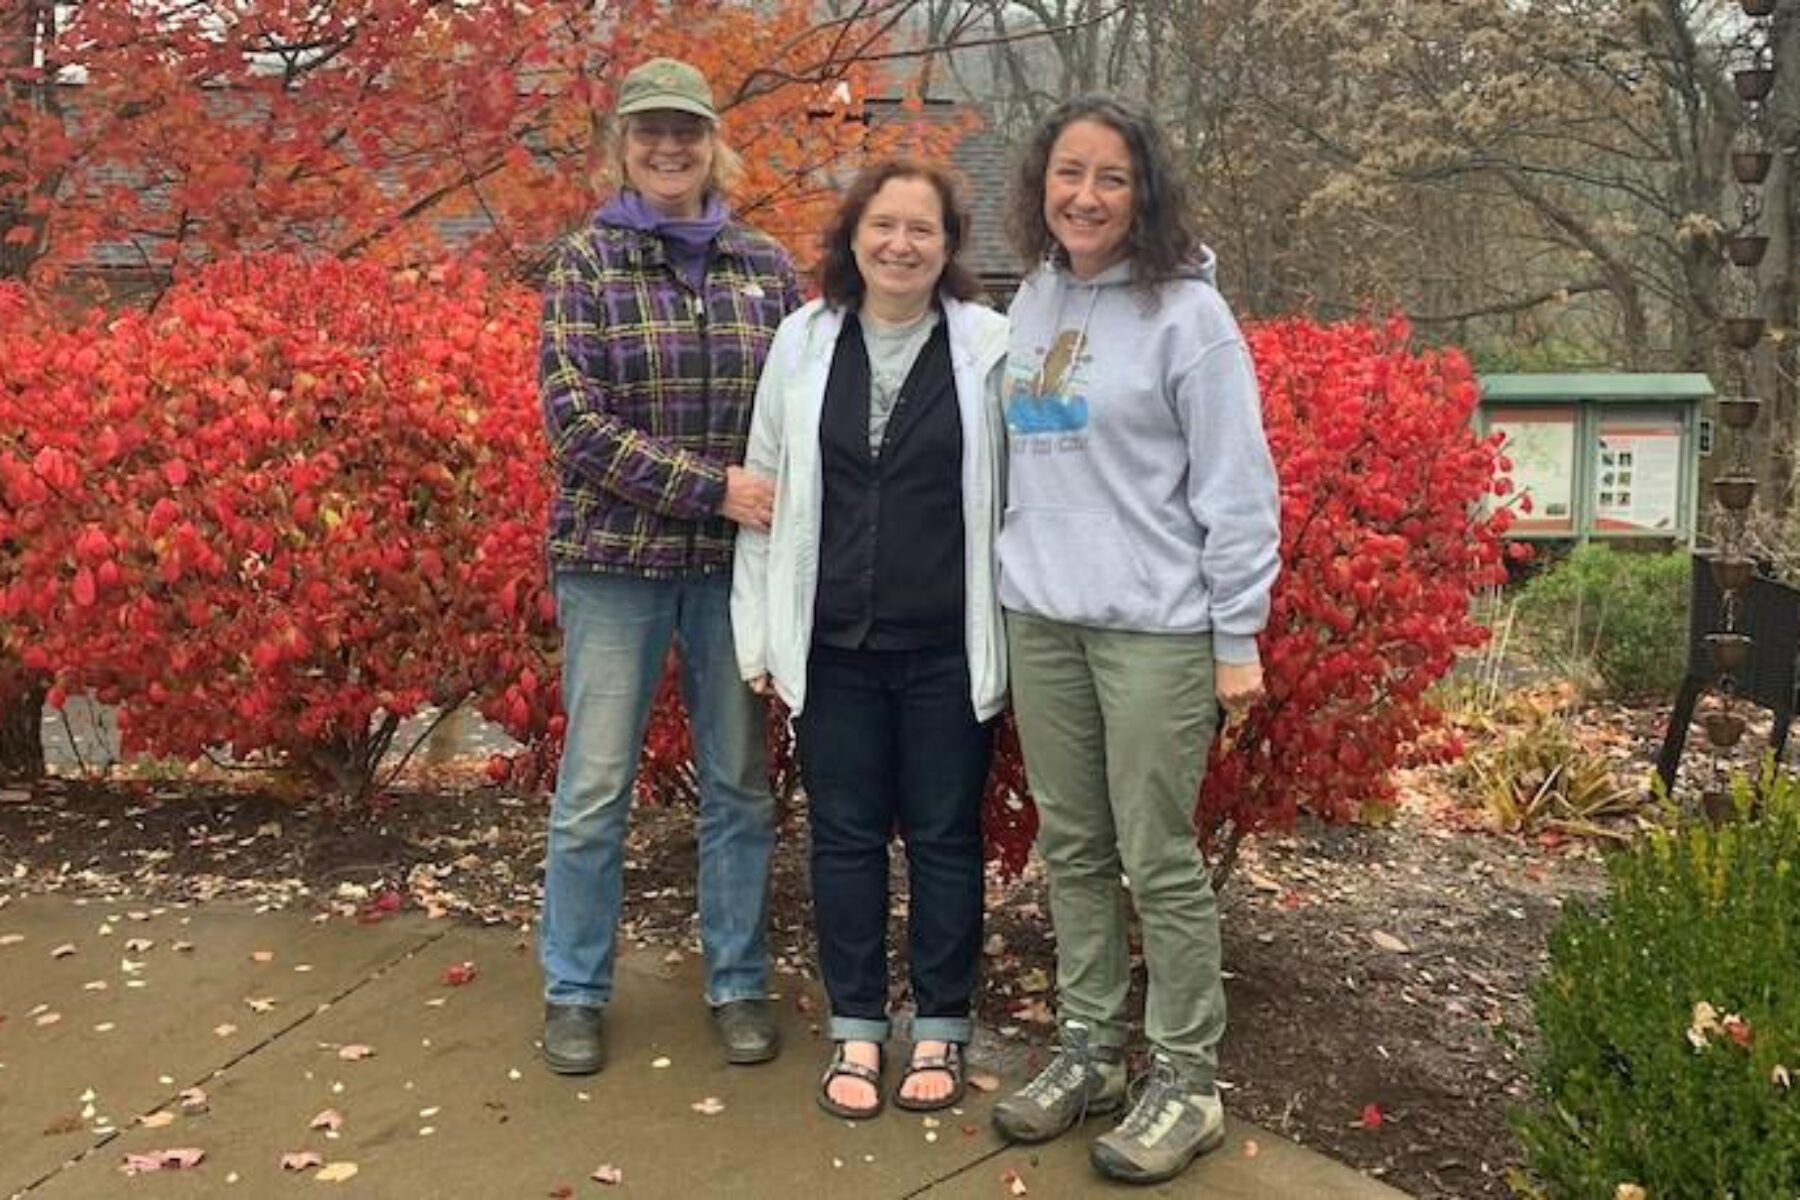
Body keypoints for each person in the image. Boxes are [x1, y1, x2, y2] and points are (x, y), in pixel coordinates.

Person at [987, 96, 1281, 1185]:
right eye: (1070, 173)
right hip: (1045, 618)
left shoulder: (1188, 317)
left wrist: (1235, 633)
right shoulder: (1034, 295)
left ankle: (1188, 1082)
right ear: (1041, 184)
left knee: (1158, 856)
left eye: (1111, 177)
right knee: (1072, 846)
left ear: (1144, 191)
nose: (1087, 196)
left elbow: (1239, 488)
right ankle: (1088, 1051)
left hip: (1156, 627)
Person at [536, 56, 801, 1076]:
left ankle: (736, 982)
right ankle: (575, 988)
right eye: (649, 131)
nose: (669, 147)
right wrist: (713, 488)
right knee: (595, 786)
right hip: (614, 567)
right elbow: (576, 426)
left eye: (686, 130)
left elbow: (796, 416)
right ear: (623, 145)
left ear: (714, 144)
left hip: (733, 574)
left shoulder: (766, 270)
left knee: (737, 783)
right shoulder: (585, 264)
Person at [731, 161, 1008, 1120]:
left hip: (944, 645)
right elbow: (763, 490)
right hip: (833, 644)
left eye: (920, 229)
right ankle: (856, 1026)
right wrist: (759, 630)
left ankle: (941, 1022)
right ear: (853, 238)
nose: (900, 244)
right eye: (882, 226)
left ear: (947, 245)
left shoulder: (989, 348)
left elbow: (1023, 493)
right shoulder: (802, 343)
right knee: (843, 841)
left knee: (944, 839)